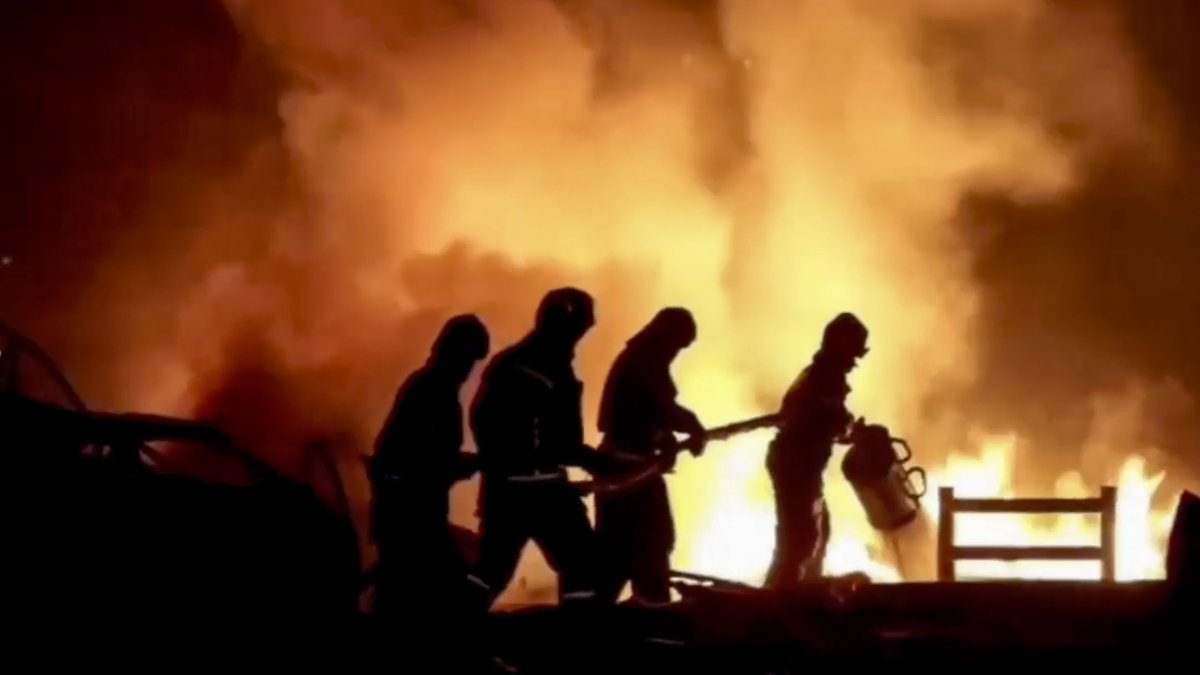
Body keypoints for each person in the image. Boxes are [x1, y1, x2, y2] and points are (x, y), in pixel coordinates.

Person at [468, 288, 605, 607]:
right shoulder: (550, 370)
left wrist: (507, 467)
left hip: (505, 490)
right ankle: (581, 631)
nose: (579, 338)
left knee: (492, 570)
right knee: (583, 563)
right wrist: (602, 462)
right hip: (542, 492)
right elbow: (564, 445)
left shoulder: (511, 363)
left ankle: (453, 625)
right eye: (580, 329)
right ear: (567, 325)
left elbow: (482, 421)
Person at [370, 314, 490, 624]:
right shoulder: (431, 392)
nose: (468, 369)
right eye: (467, 359)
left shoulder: (435, 391)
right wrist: (466, 464)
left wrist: (463, 463)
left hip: (413, 512)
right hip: (410, 513)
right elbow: (422, 458)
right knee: (441, 590)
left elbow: (430, 454)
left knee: (401, 596)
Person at [594, 307, 705, 606]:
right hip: (629, 472)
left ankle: (605, 610)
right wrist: (690, 426)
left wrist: (665, 436)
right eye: (678, 345)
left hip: (627, 468)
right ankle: (652, 610)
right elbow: (656, 410)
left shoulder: (640, 360)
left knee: (624, 550)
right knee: (649, 543)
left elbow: (650, 412)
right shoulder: (643, 363)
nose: (676, 353)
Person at [763, 312, 868, 590]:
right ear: (841, 344)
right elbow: (823, 419)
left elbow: (827, 421)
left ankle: (801, 590)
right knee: (800, 539)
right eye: (854, 353)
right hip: (795, 465)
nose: (854, 362)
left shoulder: (820, 376)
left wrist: (846, 429)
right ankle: (781, 597)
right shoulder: (824, 378)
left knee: (816, 533)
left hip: (802, 466)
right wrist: (846, 427)